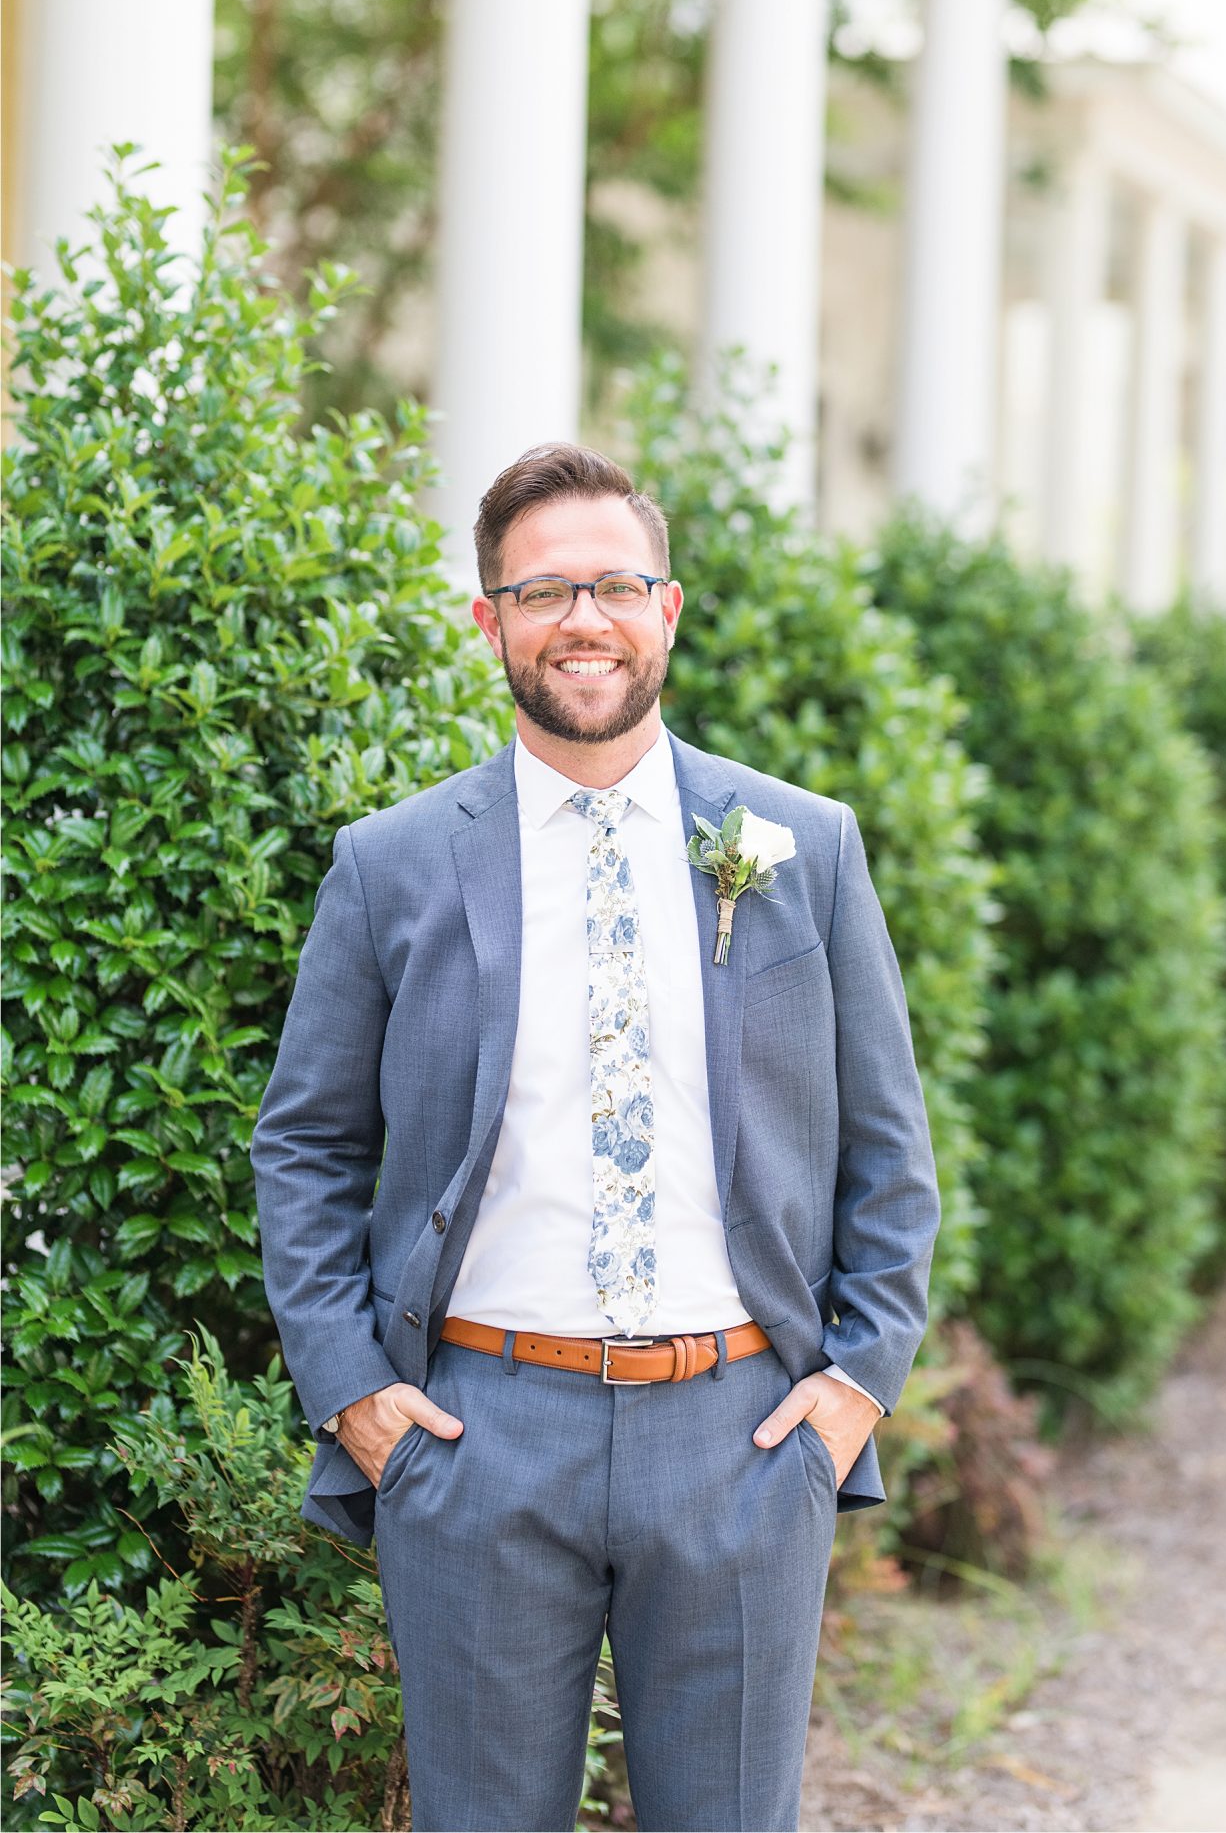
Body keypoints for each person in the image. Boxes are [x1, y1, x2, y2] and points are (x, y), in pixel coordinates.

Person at [251, 442, 940, 1833]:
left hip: (742, 1435)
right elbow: (307, 1144)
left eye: (614, 584)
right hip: (478, 1436)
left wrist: (855, 1383)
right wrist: (354, 1395)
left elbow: (887, 1145)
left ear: (667, 609)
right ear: (488, 620)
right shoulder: (391, 864)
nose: (583, 619)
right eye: (544, 589)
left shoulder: (800, 845)